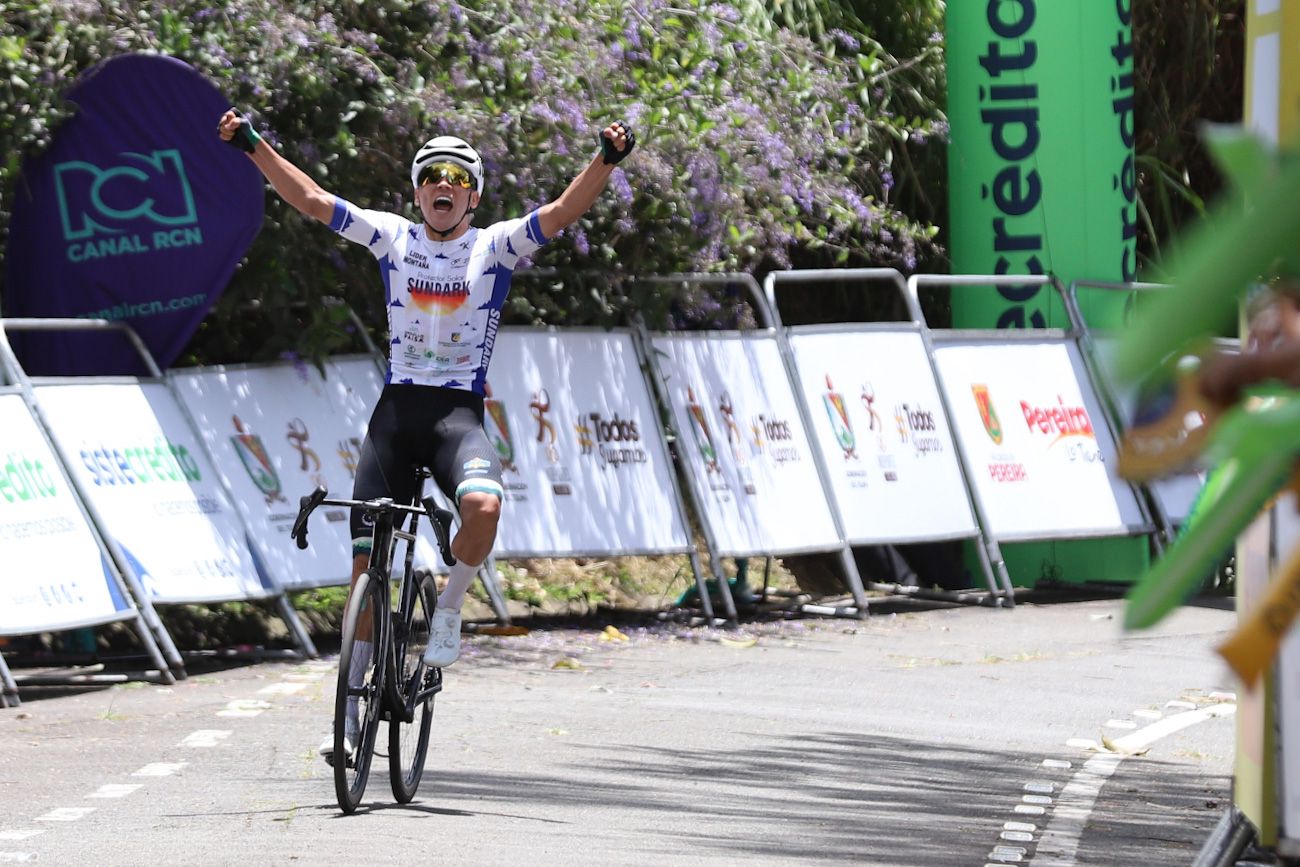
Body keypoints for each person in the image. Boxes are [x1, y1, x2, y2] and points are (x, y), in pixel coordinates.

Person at [217, 108, 635, 761]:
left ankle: (448, 603)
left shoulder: (495, 245)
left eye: (457, 178)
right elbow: (311, 199)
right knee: (363, 568)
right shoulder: (390, 237)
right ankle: (350, 722)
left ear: (473, 194)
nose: (444, 185)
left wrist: (604, 161)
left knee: (485, 507)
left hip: (456, 417)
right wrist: (251, 145)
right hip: (396, 416)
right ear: (417, 191)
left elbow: (560, 212)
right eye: (432, 176)